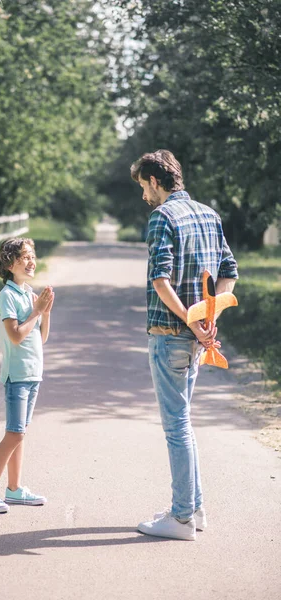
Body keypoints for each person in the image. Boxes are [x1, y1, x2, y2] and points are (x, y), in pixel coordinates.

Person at [131, 150, 238, 541]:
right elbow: (229, 273)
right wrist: (209, 322)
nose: (144, 195)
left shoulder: (162, 217)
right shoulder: (209, 214)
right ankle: (195, 508)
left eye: (144, 186)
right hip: (197, 337)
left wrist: (193, 323)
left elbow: (161, 281)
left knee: (177, 427)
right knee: (185, 424)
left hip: (170, 336)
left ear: (156, 181)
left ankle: (179, 520)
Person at [0, 237, 54, 513]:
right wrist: (36, 311)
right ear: (10, 264)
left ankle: (14, 489)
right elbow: (17, 335)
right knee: (14, 434)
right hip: (17, 376)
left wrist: (46, 312)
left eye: (33, 255)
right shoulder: (7, 296)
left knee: (20, 433)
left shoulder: (28, 293)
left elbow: (40, 338)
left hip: (33, 374)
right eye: (25, 256)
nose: (32, 261)